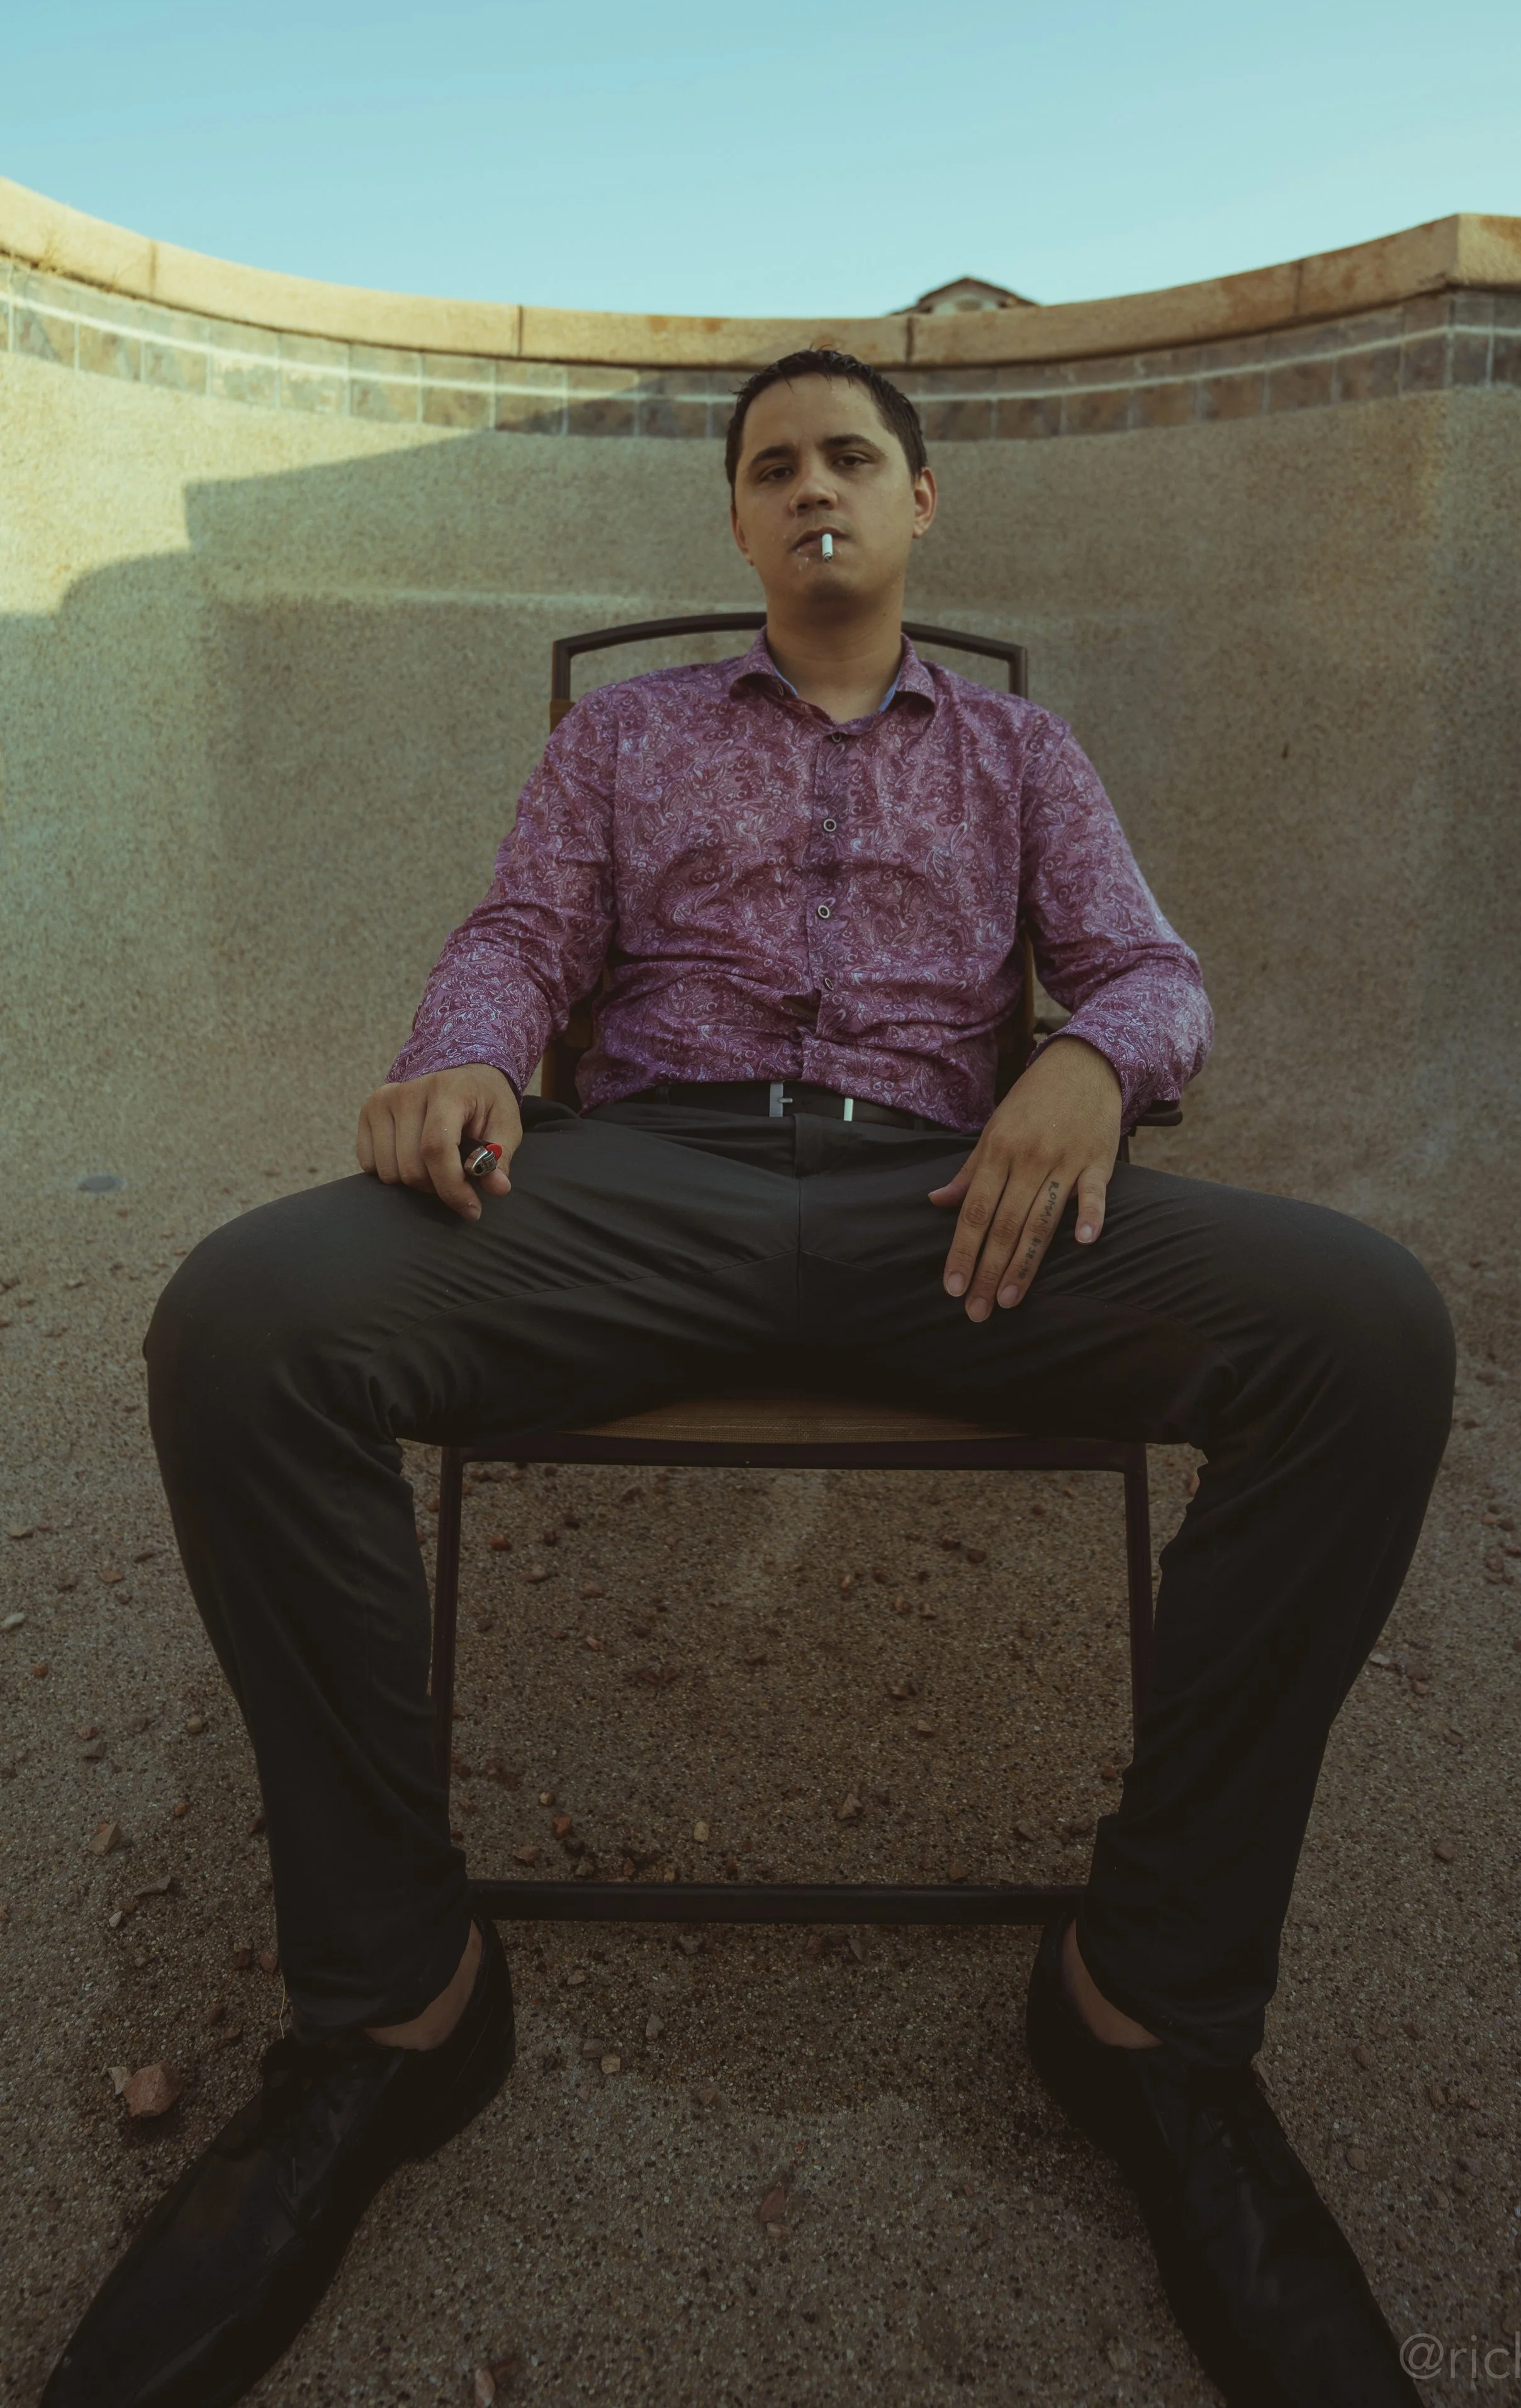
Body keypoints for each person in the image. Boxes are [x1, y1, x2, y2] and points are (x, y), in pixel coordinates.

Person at [43, 349, 1450, 2408]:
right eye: (772, 463)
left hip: (935, 1203)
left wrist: (1080, 1060)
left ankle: (1146, 2004)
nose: (814, 489)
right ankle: (398, 2003)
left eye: (851, 458)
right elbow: (521, 931)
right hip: (645, 1183)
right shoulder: (621, 737)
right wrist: (460, 1054)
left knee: (1364, 1327)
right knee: (248, 1319)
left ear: (918, 504)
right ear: (733, 518)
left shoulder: (1023, 753)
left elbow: (1150, 973)